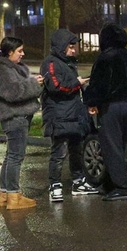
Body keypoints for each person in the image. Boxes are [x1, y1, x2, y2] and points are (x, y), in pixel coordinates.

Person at [83, 23, 127, 202]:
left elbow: (98, 85)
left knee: (111, 145)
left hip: (111, 107)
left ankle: (121, 187)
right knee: (119, 145)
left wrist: (91, 101)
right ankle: (111, 183)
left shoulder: (105, 58)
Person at [41, 28, 98, 202]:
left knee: (76, 150)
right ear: (61, 46)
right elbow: (56, 87)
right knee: (59, 152)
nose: (74, 50)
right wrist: (77, 82)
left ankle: (78, 181)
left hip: (74, 115)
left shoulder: (68, 63)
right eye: (71, 47)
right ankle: (55, 185)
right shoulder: (50, 63)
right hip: (59, 116)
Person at [0, 36, 44, 210]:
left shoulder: (7, 67)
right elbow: (12, 92)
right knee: (15, 157)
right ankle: (13, 195)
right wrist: (33, 84)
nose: (23, 54)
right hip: (14, 117)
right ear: (10, 52)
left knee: (11, 155)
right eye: (19, 51)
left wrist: (32, 82)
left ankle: (5, 194)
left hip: (16, 116)